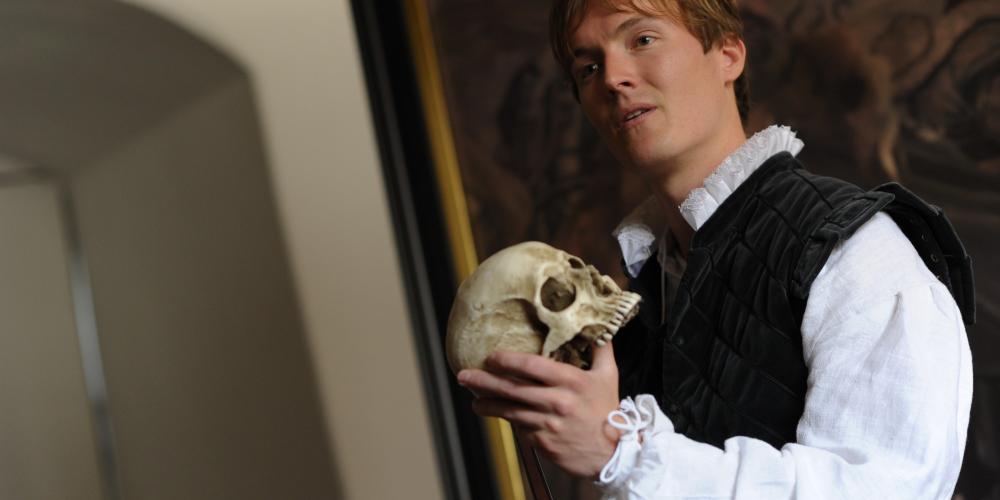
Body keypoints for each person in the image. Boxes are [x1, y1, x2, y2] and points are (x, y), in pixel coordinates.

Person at [455, 0, 975, 498]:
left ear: (728, 53)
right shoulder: (647, 285)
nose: (612, 78)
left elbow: (880, 491)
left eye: (642, 38)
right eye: (588, 68)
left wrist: (620, 454)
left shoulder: (855, 248)